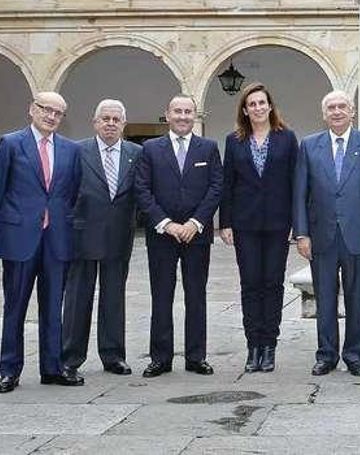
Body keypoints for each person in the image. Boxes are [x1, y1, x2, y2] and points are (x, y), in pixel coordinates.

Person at [294, 90, 360, 377]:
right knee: (324, 297)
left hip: (358, 234)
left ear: (352, 112)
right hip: (321, 235)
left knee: (356, 298)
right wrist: (301, 233)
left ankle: (356, 355)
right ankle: (326, 355)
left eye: (342, 107)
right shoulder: (309, 146)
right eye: (331, 108)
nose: (337, 112)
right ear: (324, 114)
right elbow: (300, 193)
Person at [135, 94, 222, 378]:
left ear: (195, 115)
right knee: (161, 296)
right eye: (178, 111)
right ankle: (160, 358)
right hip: (162, 236)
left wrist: (195, 222)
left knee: (196, 296)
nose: (183, 116)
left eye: (188, 112)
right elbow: (143, 190)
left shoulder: (208, 148)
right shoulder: (150, 148)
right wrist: (167, 224)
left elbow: (216, 187)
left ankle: (196, 357)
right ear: (167, 114)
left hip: (197, 235)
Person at [0, 92, 82, 393]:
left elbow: (71, 195)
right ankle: (8, 369)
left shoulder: (71, 150)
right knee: (15, 306)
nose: (51, 116)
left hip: (57, 239)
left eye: (58, 113)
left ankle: (52, 367)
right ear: (32, 109)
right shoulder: (9, 144)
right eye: (46, 109)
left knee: (53, 307)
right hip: (19, 238)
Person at [61, 99, 142, 383]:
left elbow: (141, 193)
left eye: (116, 119)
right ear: (95, 122)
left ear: (123, 124)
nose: (110, 123)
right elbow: (66, 191)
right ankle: (70, 357)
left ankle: (113, 355)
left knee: (114, 297)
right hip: (82, 235)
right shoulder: (77, 151)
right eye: (105, 118)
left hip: (119, 236)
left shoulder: (136, 153)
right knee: (77, 299)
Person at [220, 83, 298, 374]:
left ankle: (270, 347)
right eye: (251, 104)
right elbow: (227, 183)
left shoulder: (287, 138)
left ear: (270, 106)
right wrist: (225, 222)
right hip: (245, 224)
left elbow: (295, 182)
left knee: (273, 284)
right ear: (245, 109)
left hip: (278, 224)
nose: (257, 108)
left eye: (262, 102)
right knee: (250, 284)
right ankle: (253, 347)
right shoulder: (234, 140)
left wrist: (297, 223)